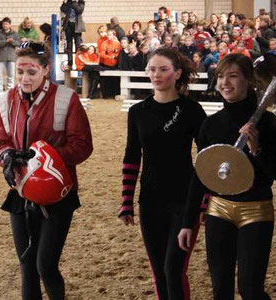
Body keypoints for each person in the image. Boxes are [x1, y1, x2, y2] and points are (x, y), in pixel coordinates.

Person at [178, 53, 276, 300]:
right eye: (220, 76)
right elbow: (201, 177)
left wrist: (256, 149)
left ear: (249, 80)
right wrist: (187, 223)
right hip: (218, 211)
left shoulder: (268, 123)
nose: (225, 82)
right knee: (221, 290)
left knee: (251, 290)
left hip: (257, 211)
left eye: (233, 76)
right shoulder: (210, 125)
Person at [0, 41, 93, 299]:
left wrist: (44, 156)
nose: (24, 79)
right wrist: (7, 157)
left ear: (46, 69)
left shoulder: (66, 98)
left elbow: (82, 145)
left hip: (57, 190)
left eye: (32, 72)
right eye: (20, 72)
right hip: (21, 190)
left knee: (45, 265)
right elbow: (0, 140)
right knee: (27, 266)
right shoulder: (4, 101)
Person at [119, 47, 208, 300]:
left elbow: (205, 160)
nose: (156, 74)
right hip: (150, 201)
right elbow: (131, 158)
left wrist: (203, 203)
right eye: (152, 69)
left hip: (185, 200)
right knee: (159, 272)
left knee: (174, 270)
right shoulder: (138, 112)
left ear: (177, 73)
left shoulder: (192, 110)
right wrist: (126, 203)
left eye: (163, 69)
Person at [0, 17, 20, 93]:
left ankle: (10, 92)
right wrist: (6, 41)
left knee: (11, 76)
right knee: (0, 76)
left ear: (10, 25)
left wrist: (12, 42)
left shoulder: (15, 34)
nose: (5, 25)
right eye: (3, 24)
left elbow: (19, 43)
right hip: (0, 57)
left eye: (6, 24)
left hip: (11, 57)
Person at [60, 0, 86, 69]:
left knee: (78, 45)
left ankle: (79, 63)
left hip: (77, 26)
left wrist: (74, 2)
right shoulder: (68, 2)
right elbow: (63, 9)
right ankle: (70, 63)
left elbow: (79, 11)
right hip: (68, 25)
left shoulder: (81, 2)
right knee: (69, 45)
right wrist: (64, 3)